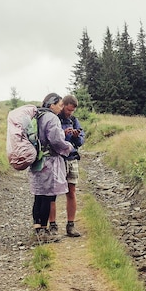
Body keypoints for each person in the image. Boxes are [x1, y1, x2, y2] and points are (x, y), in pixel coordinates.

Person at [28, 93, 75, 243]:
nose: (61, 108)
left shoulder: (37, 116)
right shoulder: (52, 118)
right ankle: (43, 230)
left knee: (38, 195)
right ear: (51, 104)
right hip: (49, 162)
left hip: (37, 159)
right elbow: (56, 140)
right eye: (60, 105)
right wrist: (68, 147)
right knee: (48, 196)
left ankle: (37, 228)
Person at [48, 95, 85, 237]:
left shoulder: (74, 121)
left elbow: (81, 141)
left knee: (71, 192)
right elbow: (51, 138)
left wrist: (76, 136)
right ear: (63, 105)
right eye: (68, 110)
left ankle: (71, 225)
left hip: (72, 158)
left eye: (72, 111)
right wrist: (62, 134)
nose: (70, 113)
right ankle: (53, 226)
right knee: (52, 194)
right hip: (57, 159)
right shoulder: (54, 119)